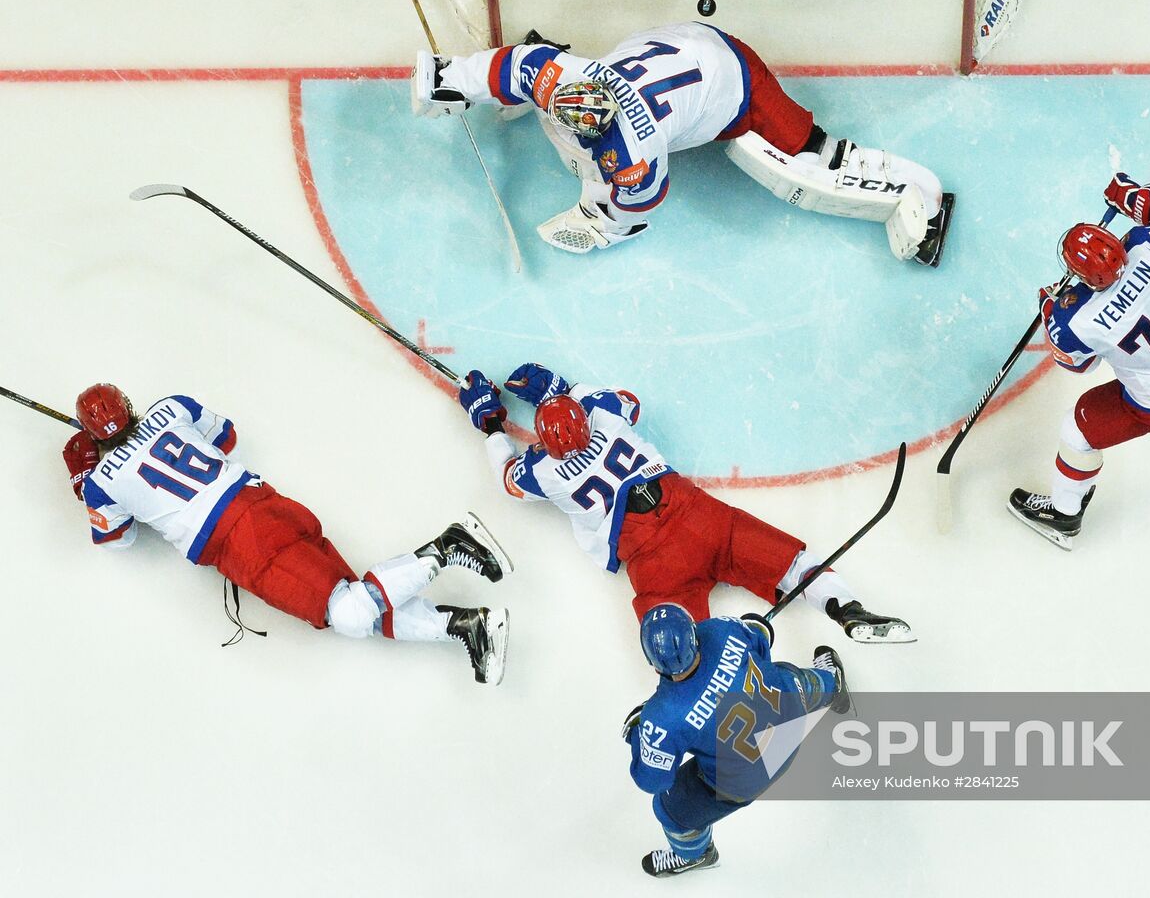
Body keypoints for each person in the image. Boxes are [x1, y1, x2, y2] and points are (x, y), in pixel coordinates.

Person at [61, 384, 510, 683]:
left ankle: (448, 547)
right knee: (357, 603)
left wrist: (84, 478)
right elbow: (226, 438)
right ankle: (466, 625)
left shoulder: (102, 482)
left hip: (240, 544)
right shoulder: (171, 408)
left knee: (347, 616)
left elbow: (117, 540)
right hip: (268, 505)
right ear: (130, 406)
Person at [411, 21, 954, 265]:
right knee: (532, 92)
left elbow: (640, 204)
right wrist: (446, 78)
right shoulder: (555, 73)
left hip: (737, 79)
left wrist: (603, 222)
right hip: (678, 41)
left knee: (806, 151)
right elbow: (502, 67)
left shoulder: (634, 150)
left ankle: (909, 193)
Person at [456, 361, 913, 643]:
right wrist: (562, 389)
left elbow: (506, 479)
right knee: (793, 563)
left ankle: (708, 709)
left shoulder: (544, 472)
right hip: (700, 518)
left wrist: (490, 422)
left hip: (653, 561)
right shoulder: (606, 418)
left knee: (679, 648)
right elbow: (628, 401)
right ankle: (847, 610)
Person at [1009, 174, 1150, 549]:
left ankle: (1063, 515)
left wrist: (1051, 311)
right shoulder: (1148, 242)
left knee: (1080, 427)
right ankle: (1074, 489)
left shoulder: (1073, 321)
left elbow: (1079, 366)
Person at [622, 604, 849, 877]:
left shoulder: (662, 718)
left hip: (750, 777)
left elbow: (654, 780)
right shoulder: (721, 629)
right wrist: (752, 626)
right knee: (783, 677)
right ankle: (832, 685)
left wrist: (639, 735)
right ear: (694, 634)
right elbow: (761, 639)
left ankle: (696, 855)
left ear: (651, 662)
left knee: (670, 809)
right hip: (791, 724)